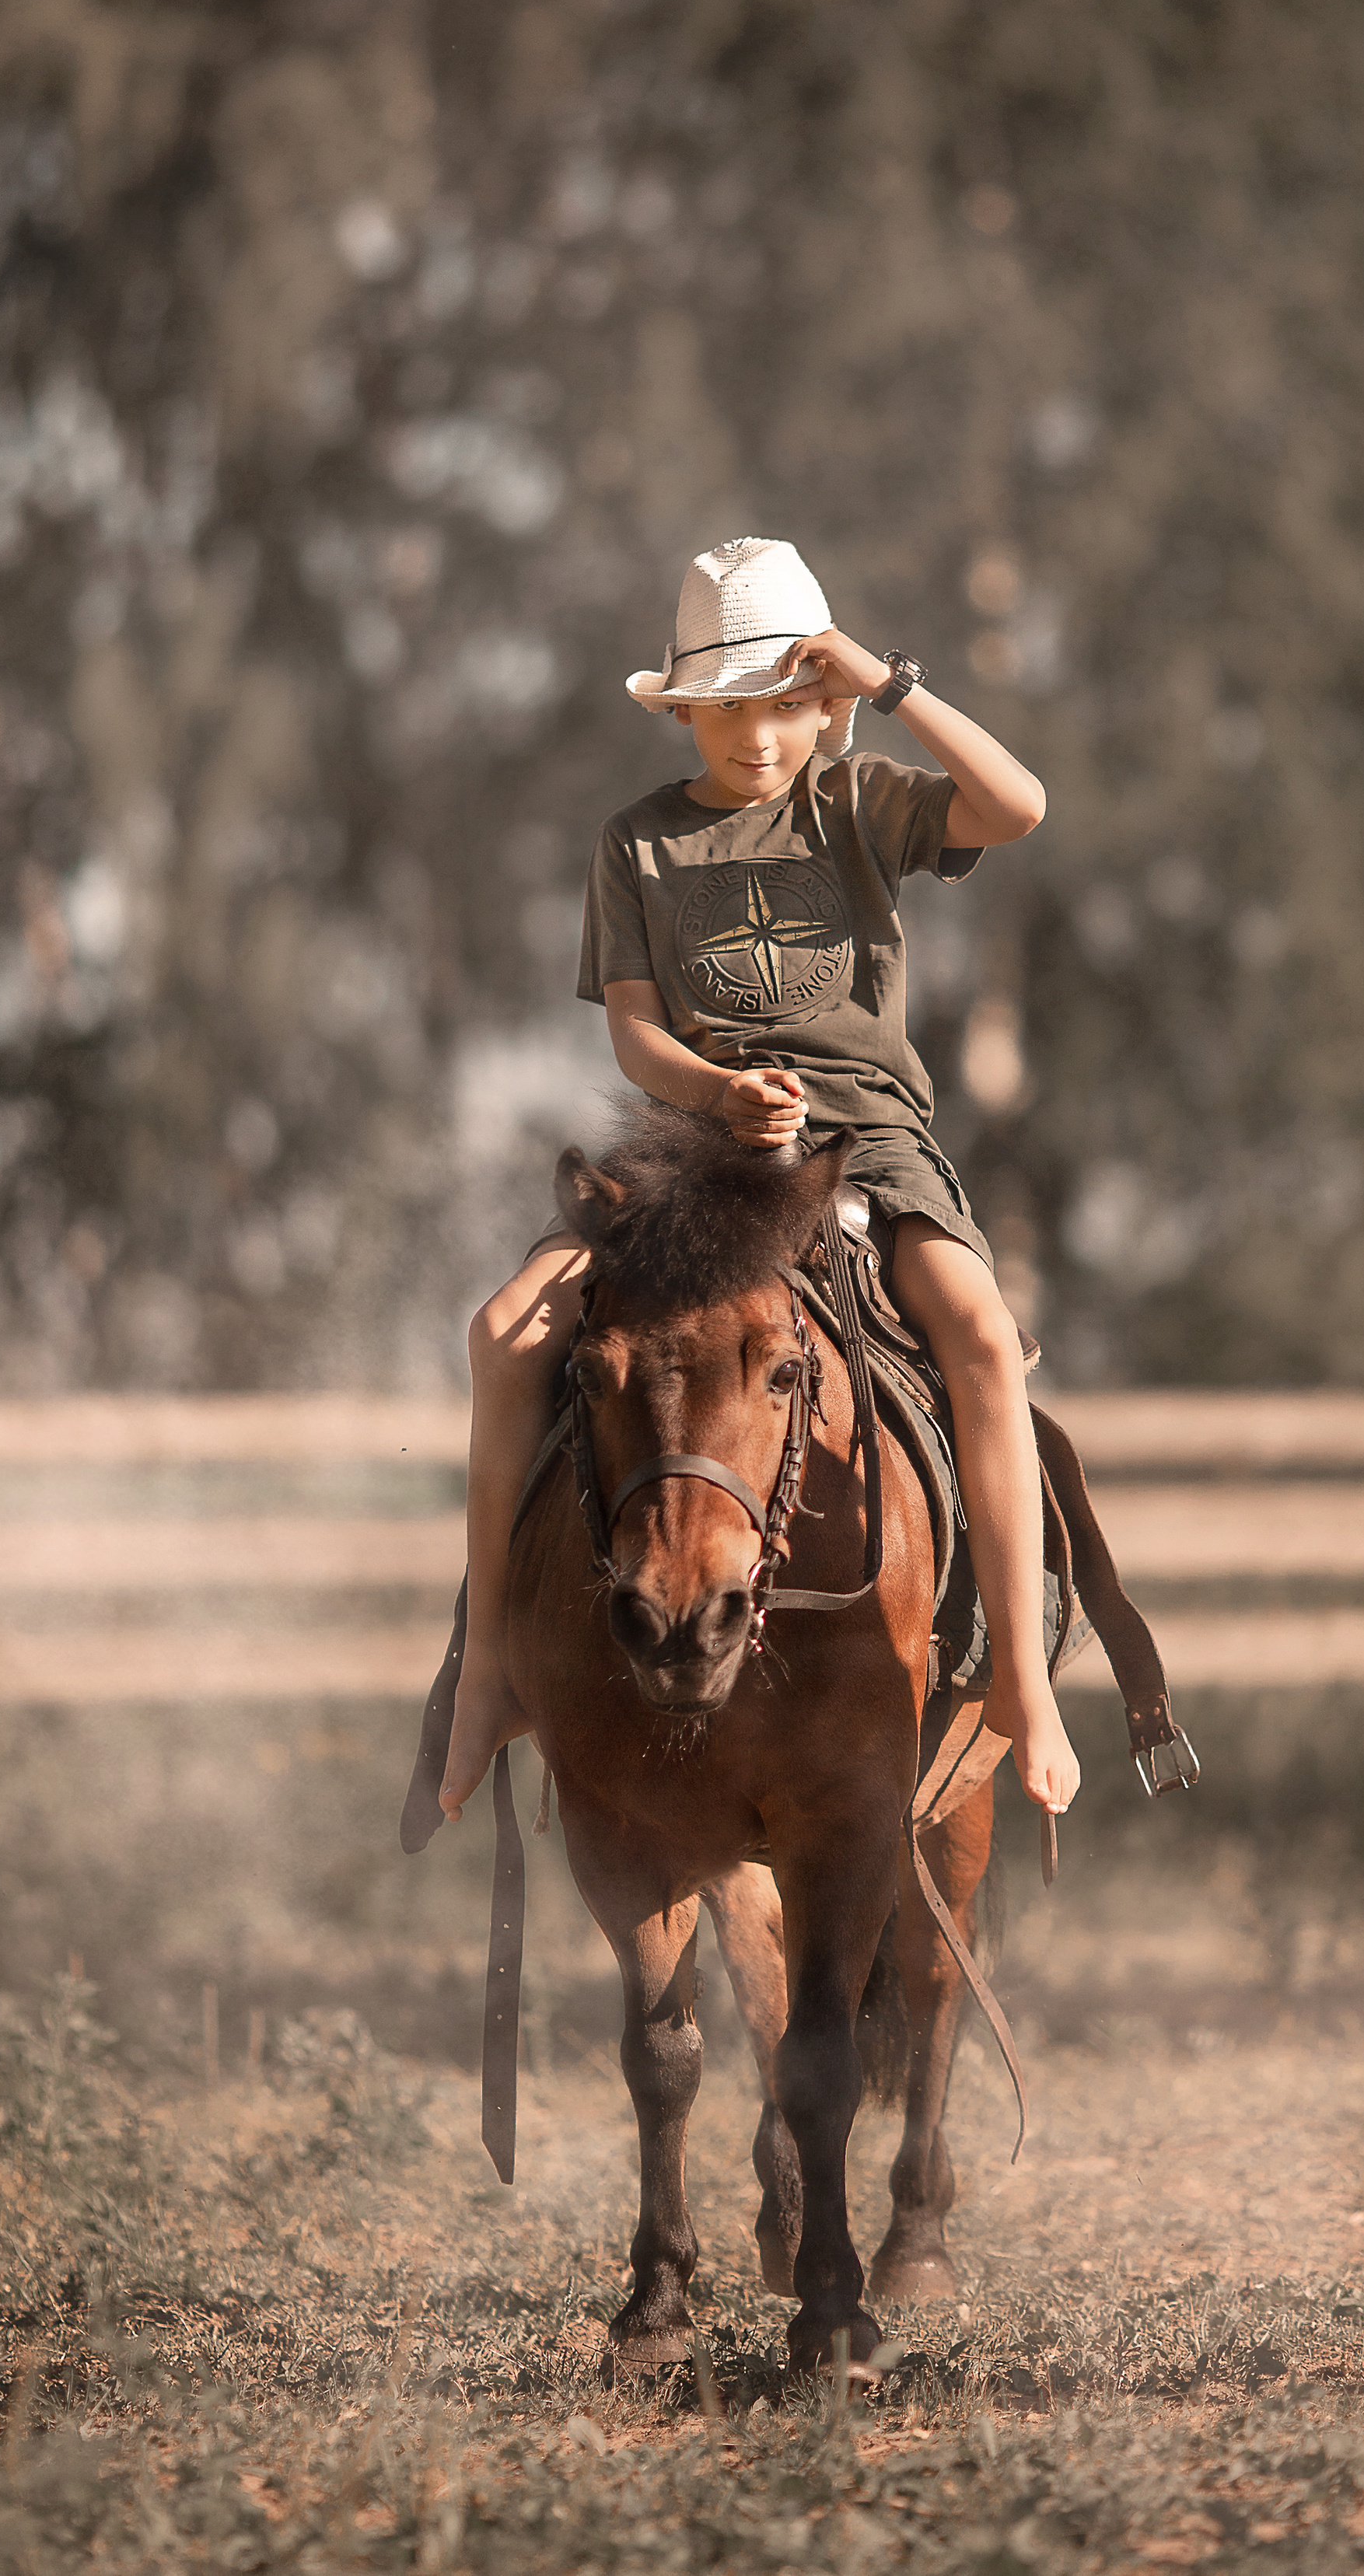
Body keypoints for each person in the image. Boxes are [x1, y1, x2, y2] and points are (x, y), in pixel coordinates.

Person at [439, 535, 1081, 1824]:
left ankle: (1021, 1671)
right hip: (695, 1145)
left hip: (871, 1139)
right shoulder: (638, 843)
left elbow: (1019, 807)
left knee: (982, 1341)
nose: (758, 734)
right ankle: (488, 1668)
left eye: (788, 701)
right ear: (684, 710)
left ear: (825, 704)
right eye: (728, 708)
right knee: (506, 1334)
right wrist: (715, 1092)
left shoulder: (863, 803)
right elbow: (631, 1029)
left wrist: (890, 686)